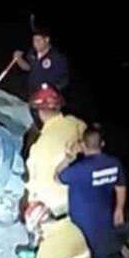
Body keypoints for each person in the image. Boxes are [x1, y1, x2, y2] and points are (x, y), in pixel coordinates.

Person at [58, 125, 127, 258]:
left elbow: (58, 177)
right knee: (99, 257)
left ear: (83, 145)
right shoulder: (114, 164)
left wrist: (67, 157)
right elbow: (121, 186)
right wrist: (119, 209)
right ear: (102, 144)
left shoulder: (79, 169)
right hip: (104, 219)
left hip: (82, 223)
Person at [25, 84, 87, 217]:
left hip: (56, 211)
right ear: (59, 107)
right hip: (83, 202)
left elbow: (35, 189)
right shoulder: (78, 125)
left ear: (39, 112)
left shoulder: (38, 148)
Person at [13, 23, 70, 96]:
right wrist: (19, 59)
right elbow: (28, 68)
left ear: (47, 40)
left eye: (38, 40)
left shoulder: (57, 58)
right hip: (32, 91)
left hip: (48, 94)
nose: (36, 43)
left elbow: (65, 79)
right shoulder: (32, 53)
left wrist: (54, 89)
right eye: (34, 41)